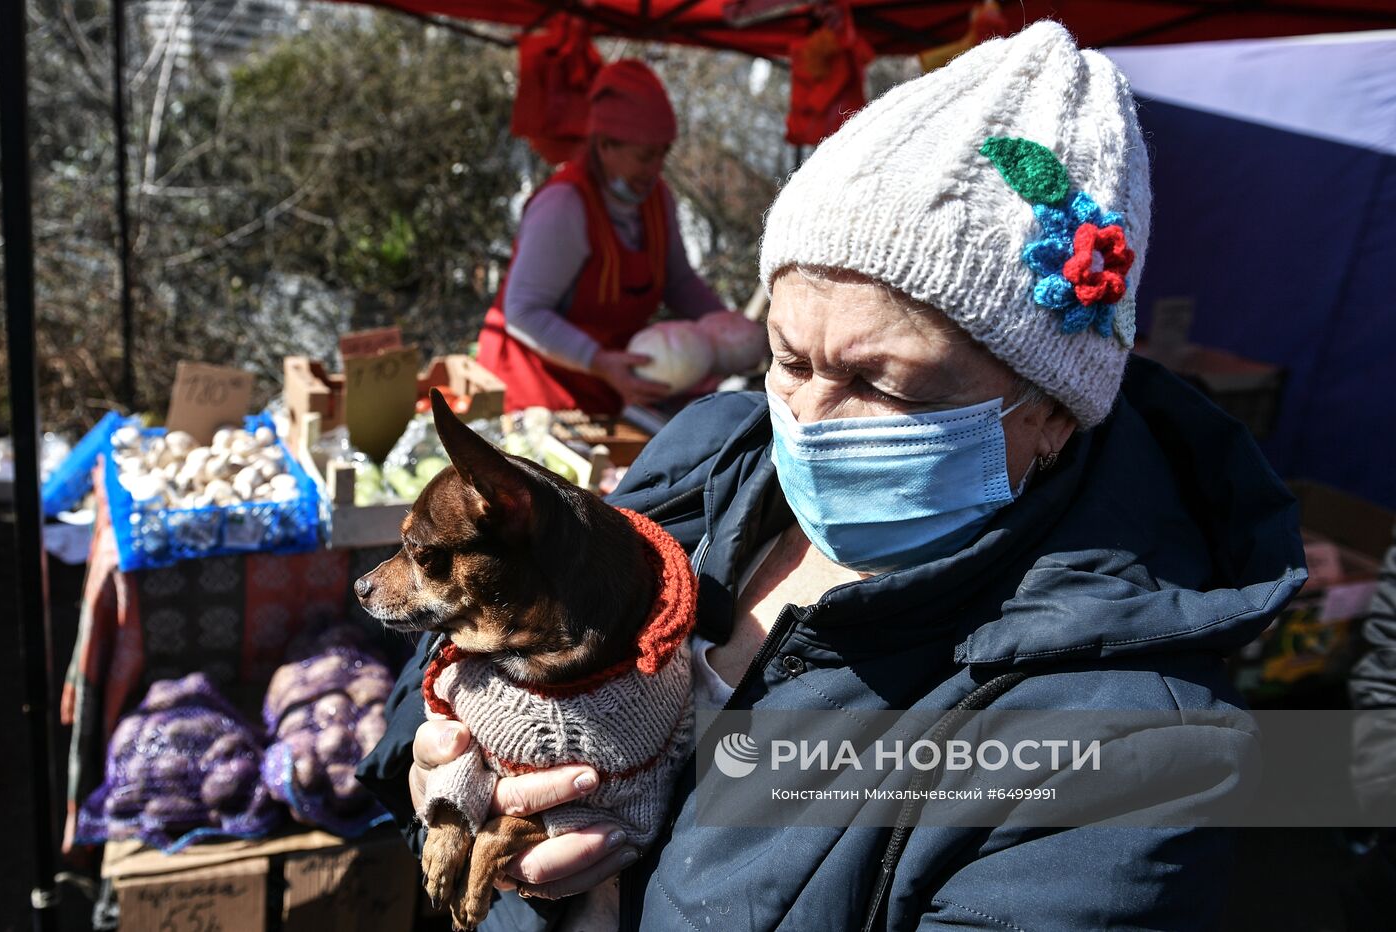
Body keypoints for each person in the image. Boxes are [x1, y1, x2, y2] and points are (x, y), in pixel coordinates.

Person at [359, 21, 1307, 929]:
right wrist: (435, 764)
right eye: (787, 355)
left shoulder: (1127, 749)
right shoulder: (709, 456)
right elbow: (465, 637)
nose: (807, 418)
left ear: (1052, 411)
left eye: (878, 381)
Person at [477, 60, 727, 415]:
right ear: (605, 145)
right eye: (644, 156)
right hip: (532, 393)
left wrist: (729, 332)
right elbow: (523, 311)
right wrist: (597, 361)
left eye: (662, 154)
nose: (655, 169)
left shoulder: (659, 201)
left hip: (603, 387)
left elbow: (678, 281)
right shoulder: (564, 206)